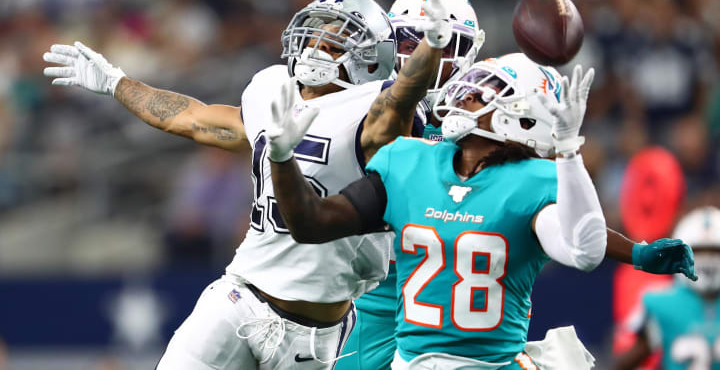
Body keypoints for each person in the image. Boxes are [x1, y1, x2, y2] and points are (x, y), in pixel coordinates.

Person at [42, 0, 454, 368]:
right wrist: (117, 82)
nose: (314, 48)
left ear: (369, 60)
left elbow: (402, 98)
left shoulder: (372, 109)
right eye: (313, 35)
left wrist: (432, 45)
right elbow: (192, 118)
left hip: (315, 334)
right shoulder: (273, 90)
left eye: (332, 44)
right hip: (238, 298)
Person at [266, 52, 696, 369]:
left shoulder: (532, 182)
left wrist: (568, 153)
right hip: (408, 361)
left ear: (522, 118)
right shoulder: (411, 162)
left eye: (485, 92)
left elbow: (582, 250)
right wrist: (282, 158)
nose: (466, 95)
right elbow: (310, 223)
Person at [335, 0, 485, 370]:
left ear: (472, 50)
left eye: (446, 42)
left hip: (454, 302)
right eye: (411, 39)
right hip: (368, 294)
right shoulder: (358, 105)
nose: (429, 53)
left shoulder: (488, 124)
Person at [615, 206, 720, 370]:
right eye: (699, 251)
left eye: (715, 252)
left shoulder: (659, 299)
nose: (708, 259)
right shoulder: (659, 302)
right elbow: (629, 360)